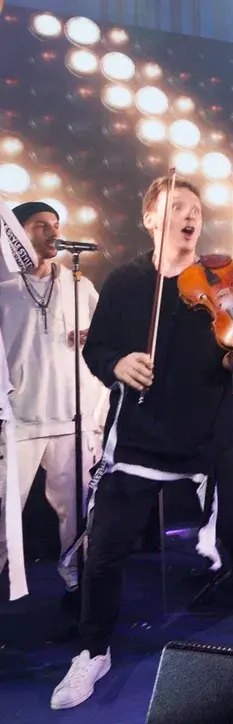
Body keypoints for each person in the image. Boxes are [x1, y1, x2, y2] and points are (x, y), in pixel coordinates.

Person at [49, 176, 233, 711]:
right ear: (150, 218)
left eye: (195, 209)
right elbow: (98, 349)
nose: (190, 216)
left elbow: (227, 356)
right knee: (105, 548)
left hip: (209, 428)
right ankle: (93, 651)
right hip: (140, 432)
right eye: (177, 206)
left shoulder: (220, 282)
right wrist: (116, 364)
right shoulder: (125, 282)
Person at [0, 201, 109, 602]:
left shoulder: (80, 286)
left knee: (77, 511)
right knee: (5, 510)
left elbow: (109, 339)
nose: (52, 232)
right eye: (40, 225)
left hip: (71, 416)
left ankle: (79, 587)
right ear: (16, 234)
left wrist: (94, 338)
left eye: (55, 225)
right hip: (19, 419)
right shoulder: (4, 288)